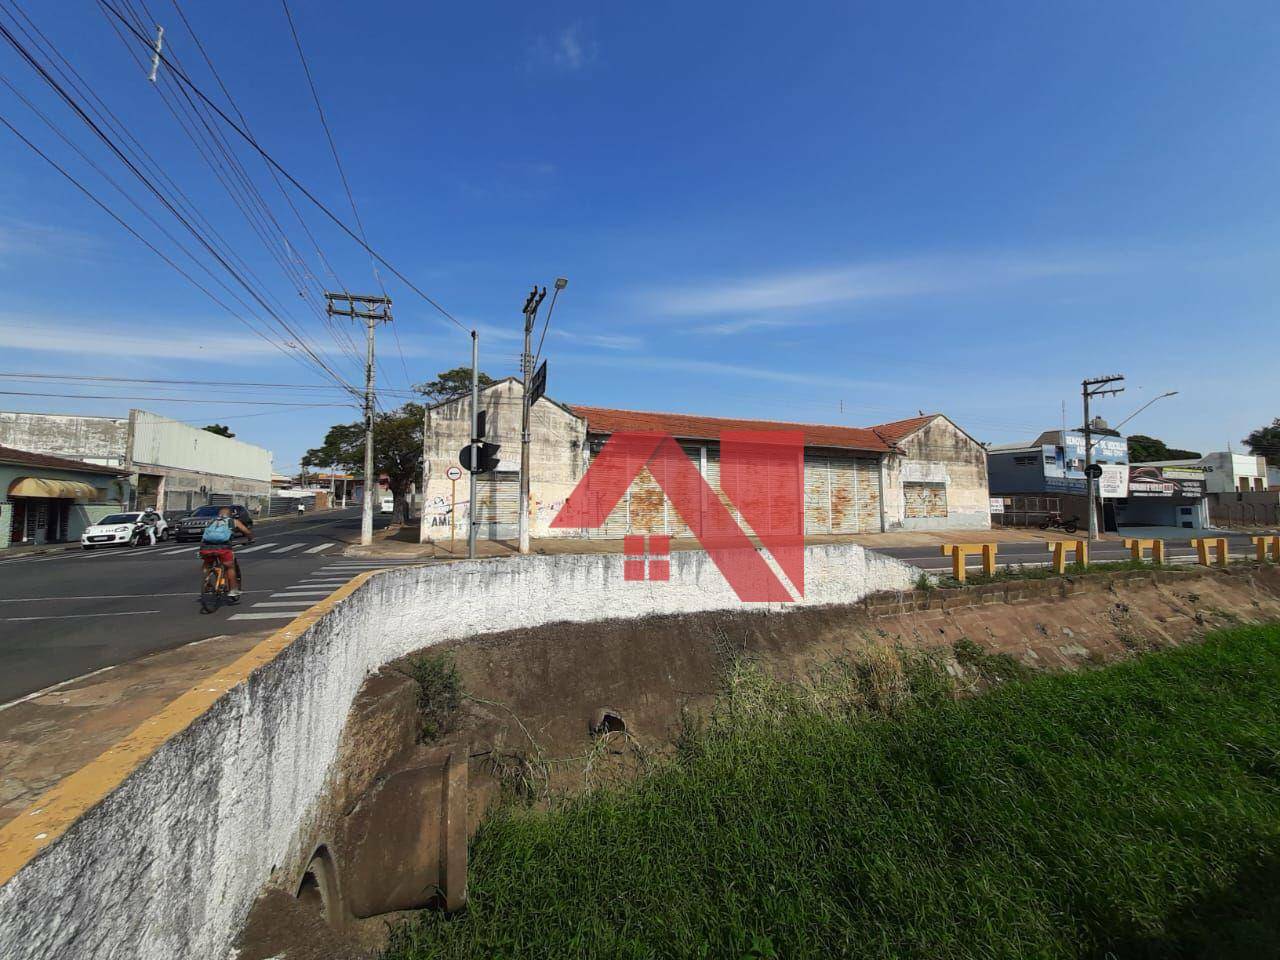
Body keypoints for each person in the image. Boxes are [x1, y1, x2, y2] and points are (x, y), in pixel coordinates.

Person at [199, 506, 254, 602]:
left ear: (219, 514)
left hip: (206, 547)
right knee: (230, 567)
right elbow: (246, 531)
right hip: (224, 548)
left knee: (207, 564)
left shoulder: (211, 521)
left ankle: (206, 581)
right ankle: (233, 590)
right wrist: (250, 538)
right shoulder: (232, 521)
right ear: (230, 514)